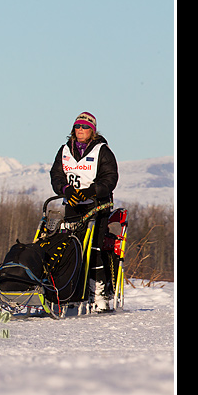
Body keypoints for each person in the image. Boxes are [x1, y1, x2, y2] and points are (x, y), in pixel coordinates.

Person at [50, 111, 119, 311]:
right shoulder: (64, 150)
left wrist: (93, 190)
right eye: (77, 127)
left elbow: (110, 178)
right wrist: (65, 189)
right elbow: (56, 175)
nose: (80, 130)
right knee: (72, 249)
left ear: (92, 131)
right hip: (73, 205)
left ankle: (99, 295)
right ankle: (71, 292)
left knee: (94, 249)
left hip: (97, 206)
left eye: (85, 127)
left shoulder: (102, 151)